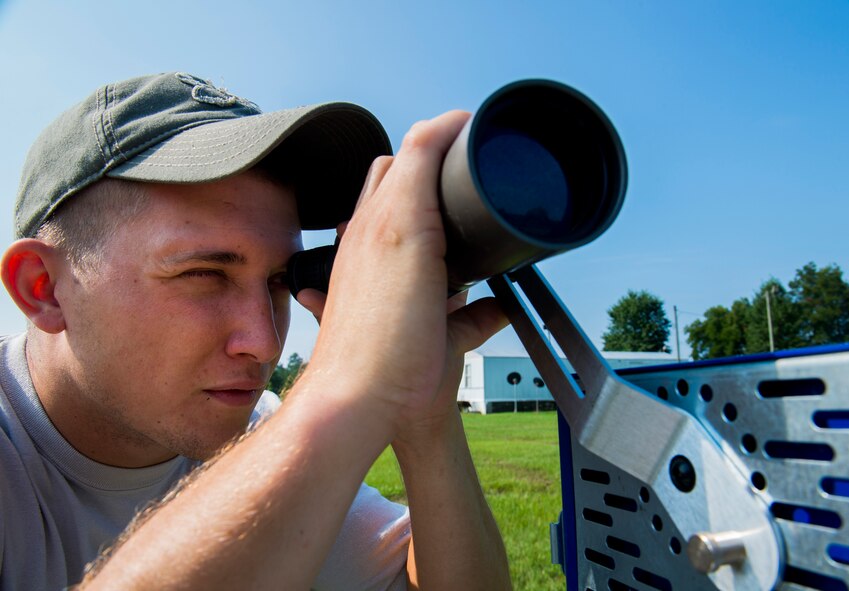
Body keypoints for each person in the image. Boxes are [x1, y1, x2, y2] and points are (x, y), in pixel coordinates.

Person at [0, 72, 512, 590]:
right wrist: (343, 384)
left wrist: (427, 416)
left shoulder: (265, 432)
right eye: (204, 274)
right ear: (44, 288)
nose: (265, 342)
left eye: (278, 282)